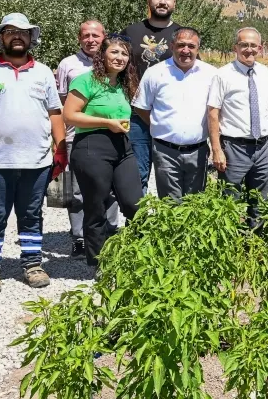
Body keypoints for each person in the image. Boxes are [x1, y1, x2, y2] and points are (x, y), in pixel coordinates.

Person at [0, 13, 65, 294]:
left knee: (31, 214)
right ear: (1, 37)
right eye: (10, 31)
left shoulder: (43, 72)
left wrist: (60, 148)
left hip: (37, 160)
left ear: (31, 38)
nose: (17, 36)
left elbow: (54, 113)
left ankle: (32, 264)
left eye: (23, 32)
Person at [62, 35, 143, 267]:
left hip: (121, 146)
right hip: (91, 146)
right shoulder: (85, 81)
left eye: (124, 54)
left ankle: (137, 255)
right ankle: (98, 262)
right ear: (102, 55)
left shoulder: (124, 84)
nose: (120, 58)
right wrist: (107, 122)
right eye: (114, 52)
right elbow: (69, 115)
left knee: (134, 203)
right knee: (96, 205)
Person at [55, 20, 119, 258]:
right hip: (77, 137)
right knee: (78, 190)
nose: (90, 39)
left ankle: (111, 233)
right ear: (79, 38)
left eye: (95, 35)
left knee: (110, 189)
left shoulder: (115, 60)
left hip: (110, 136)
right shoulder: (68, 65)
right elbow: (62, 103)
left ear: (104, 37)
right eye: (85, 35)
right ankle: (79, 237)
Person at [132, 27, 217, 201]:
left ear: (198, 48)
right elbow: (140, 107)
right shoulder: (155, 73)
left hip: (199, 150)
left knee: (195, 205)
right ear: (172, 46)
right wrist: (159, 124)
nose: (186, 50)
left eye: (191, 46)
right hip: (165, 151)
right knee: (170, 205)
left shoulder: (211, 74)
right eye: (181, 45)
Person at [207, 28, 268, 227]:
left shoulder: (265, 72)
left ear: (260, 48)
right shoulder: (223, 75)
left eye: (254, 45)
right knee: (229, 200)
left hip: (262, 147)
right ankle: (229, 245)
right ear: (235, 47)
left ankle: (256, 243)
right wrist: (216, 150)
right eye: (244, 45)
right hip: (235, 147)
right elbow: (213, 112)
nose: (249, 49)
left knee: (260, 200)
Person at [122, 0, 182, 192]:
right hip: (138, 115)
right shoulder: (131, 31)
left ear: (174, 2)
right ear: (149, 1)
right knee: (138, 174)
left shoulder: (181, 35)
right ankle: (138, 223)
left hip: (171, 115)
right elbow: (115, 64)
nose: (162, 2)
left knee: (173, 176)